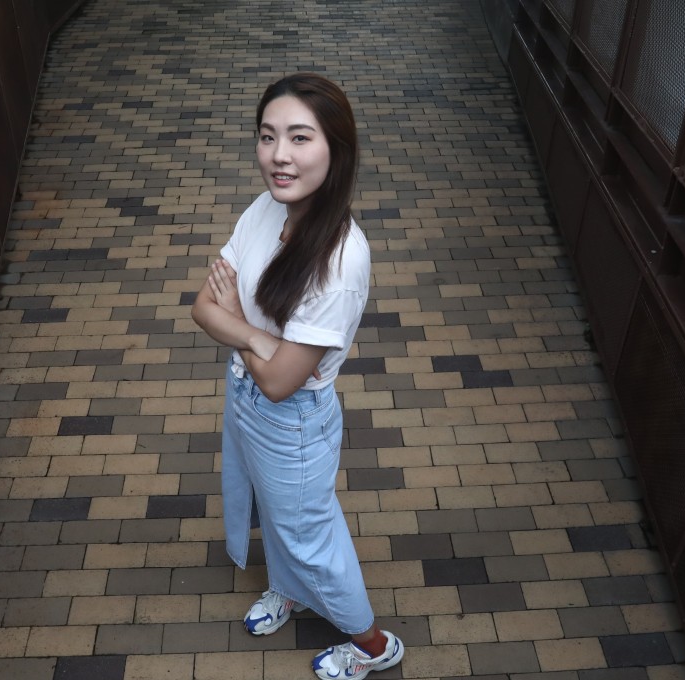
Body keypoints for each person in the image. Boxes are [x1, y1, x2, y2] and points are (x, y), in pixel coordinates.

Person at [191, 72, 405, 680]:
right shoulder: (266, 209)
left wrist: (238, 323)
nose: (279, 155)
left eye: (300, 138)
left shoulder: (339, 260)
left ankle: (372, 644)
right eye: (268, 136)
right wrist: (259, 337)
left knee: (310, 533)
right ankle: (290, 589)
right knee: (273, 509)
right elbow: (202, 307)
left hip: (293, 423)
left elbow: (281, 382)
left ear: (337, 150)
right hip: (245, 395)